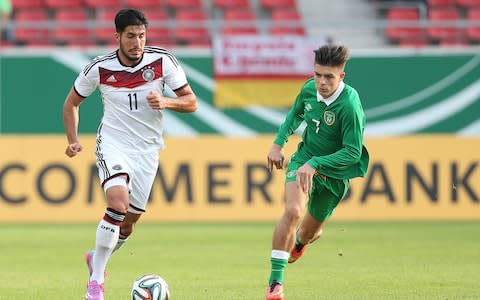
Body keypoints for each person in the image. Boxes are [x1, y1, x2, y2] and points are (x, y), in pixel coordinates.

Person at [62, 8, 197, 300]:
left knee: (128, 223)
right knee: (117, 202)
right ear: (118, 37)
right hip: (113, 142)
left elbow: (191, 102)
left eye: (142, 35)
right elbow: (71, 103)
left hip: (148, 149)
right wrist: (73, 140)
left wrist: (166, 101)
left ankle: (96, 257)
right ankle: (96, 283)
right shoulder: (99, 68)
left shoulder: (162, 61)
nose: (137, 42)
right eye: (131, 36)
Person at [265, 45, 369, 300]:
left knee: (308, 232)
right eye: (317, 74)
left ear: (341, 77)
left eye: (329, 77)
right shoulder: (309, 88)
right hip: (304, 160)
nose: (321, 82)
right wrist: (278, 144)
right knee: (293, 211)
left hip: (334, 175)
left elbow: (353, 152)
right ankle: (275, 283)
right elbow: (295, 114)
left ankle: (301, 242)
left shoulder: (350, 106)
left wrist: (318, 164)